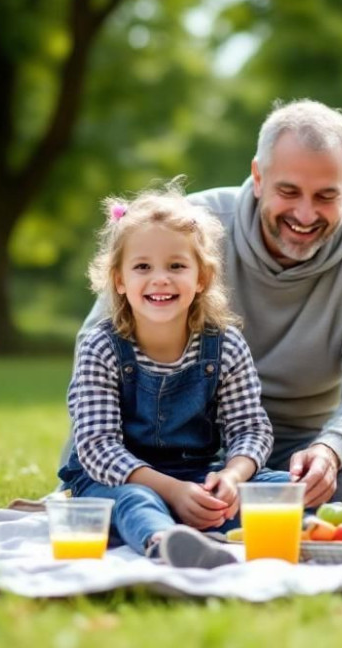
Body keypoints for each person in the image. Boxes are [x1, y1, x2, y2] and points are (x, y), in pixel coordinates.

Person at [69, 100, 342, 508]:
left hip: (296, 445)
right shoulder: (187, 229)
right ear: (258, 176)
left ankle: (216, 506)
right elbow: (101, 335)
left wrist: (330, 450)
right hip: (160, 440)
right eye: (288, 191)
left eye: (325, 196)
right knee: (113, 496)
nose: (305, 213)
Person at [57, 184, 293, 568]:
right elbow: (97, 447)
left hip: (198, 475)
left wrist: (231, 478)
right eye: (143, 267)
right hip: (116, 482)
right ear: (119, 280)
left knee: (281, 492)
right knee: (138, 502)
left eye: (177, 266)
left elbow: (250, 428)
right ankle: (165, 541)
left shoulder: (226, 345)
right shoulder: (101, 348)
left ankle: (205, 521)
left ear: (201, 277)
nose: (161, 279)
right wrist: (171, 490)